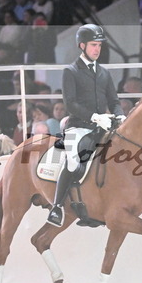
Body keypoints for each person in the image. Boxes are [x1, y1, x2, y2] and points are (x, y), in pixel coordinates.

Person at [47, 24, 124, 227]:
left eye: (99, 45)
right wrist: (94, 117)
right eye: (93, 45)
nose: (97, 49)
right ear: (82, 45)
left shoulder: (104, 73)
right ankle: (57, 207)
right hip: (78, 126)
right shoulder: (71, 71)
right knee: (73, 163)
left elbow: (114, 101)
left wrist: (120, 115)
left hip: (103, 127)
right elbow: (70, 104)